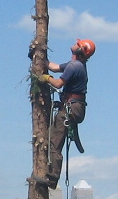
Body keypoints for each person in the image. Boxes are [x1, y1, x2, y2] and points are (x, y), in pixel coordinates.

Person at [38, 38, 95, 188]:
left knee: (55, 142)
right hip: (74, 107)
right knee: (53, 137)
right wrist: (39, 57)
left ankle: (52, 178)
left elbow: (58, 83)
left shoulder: (75, 66)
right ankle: (51, 174)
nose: (75, 44)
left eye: (78, 44)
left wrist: (47, 78)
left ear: (80, 50)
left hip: (72, 107)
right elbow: (55, 67)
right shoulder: (75, 65)